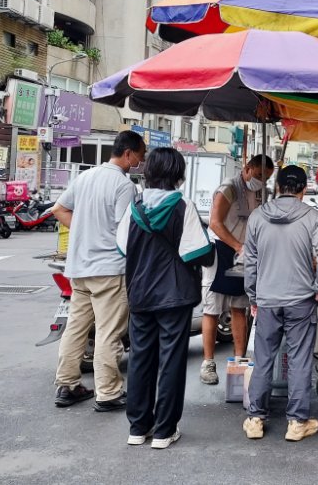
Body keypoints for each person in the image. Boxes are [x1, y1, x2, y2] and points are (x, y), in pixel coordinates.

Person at [116, 148, 214, 449]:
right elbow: (199, 252)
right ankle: (163, 431)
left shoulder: (135, 205)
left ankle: (137, 428)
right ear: (178, 175)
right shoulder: (182, 205)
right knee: (171, 360)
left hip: (141, 293)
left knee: (141, 358)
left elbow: (122, 247)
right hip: (175, 295)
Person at [50, 130, 146, 411]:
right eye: (139, 156)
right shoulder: (123, 185)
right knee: (108, 332)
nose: (140, 162)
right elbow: (124, 229)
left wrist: (85, 230)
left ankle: (66, 385)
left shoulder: (85, 177)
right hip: (108, 270)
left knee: (77, 328)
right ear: (127, 153)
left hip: (79, 267)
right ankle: (108, 393)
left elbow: (59, 209)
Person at [241, 165, 318, 442]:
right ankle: (296, 423)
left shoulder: (257, 217)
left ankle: (255, 419)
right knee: (300, 360)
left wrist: (253, 295)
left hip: (267, 300)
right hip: (301, 300)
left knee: (263, 358)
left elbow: (250, 261)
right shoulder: (313, 218)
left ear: (278, 187)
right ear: (303, 190)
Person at [199, 155, 275, 385]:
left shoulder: (263, 193)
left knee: (239, 307)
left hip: (246, 254)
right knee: (213, 308)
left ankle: (239, 361)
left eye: (267, 178)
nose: (262, 181)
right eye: (260, 175)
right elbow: (214, 222)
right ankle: (208, 363)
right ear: (247, 169)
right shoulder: (229, 188)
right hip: (222, 251)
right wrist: (237, 246)